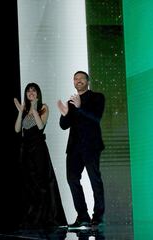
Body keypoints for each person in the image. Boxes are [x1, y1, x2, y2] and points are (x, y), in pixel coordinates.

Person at [14, 82, 67, 229]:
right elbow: (18, 129)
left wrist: (33, 107)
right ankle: (32, 217)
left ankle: (46, 217)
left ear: (37, 94)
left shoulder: (43, 107)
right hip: (26, 149)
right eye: (28, 91)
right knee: (29, 184)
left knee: (42, 182)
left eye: (34, 90)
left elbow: (40, 126)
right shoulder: (24, 110)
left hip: (38, 149)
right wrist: (20, 112)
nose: (31, 93)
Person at [57, 71, 105, 228]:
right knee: (72, 179)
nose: (78, 81)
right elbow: (64, 125)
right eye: (75, 79)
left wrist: (80, 107)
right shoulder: (71, 102)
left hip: (91, 146)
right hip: (74, 148)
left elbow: (95, 117)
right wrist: (65, 114)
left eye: (81, 79)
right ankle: (82, 216)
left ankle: (98, 216)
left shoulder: (97, 97)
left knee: (94, 180)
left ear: (87, 81)